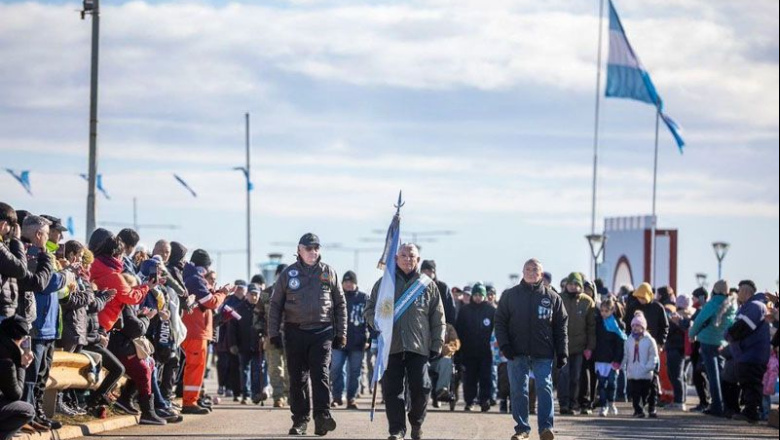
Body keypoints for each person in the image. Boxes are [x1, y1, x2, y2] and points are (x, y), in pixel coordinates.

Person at [364, 243, 445, 440]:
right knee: (392, 391)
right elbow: (369, 310)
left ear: (418, 260)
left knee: (421, 388)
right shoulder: (385, 285)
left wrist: (437, 344)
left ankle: (416, 422)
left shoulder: (428, 286)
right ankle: (397, 429)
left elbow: (438, 318)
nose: (408, 258)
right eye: (403, 255)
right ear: (396, 259)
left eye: (412, 256)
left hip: (418, 347)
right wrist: (377, 323)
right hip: (391, 346)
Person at [269, 233, 346, 437]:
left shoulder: (329, 272)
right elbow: (275, 305)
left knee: (320, 375)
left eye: (316, 248)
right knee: (298, 379)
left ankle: (322, 418)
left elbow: (340, 304)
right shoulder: (288, 274)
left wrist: (341, 333)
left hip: (322, 332)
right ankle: (300, 421)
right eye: (309, 248)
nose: (313, 252)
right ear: (300, 250)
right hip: (295, 332)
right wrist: (273, 333)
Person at [494, 259, 567, 440]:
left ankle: (545, 429)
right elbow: (500, 322)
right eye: (528, 269)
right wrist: (505, 346)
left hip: (543, 353)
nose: (531, 272)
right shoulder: (510, 296)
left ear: (541, 274)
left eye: (535, 269)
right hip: (516, 352)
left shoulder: (552, 298)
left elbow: (561, 326)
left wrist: (562, 351)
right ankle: (522, 429)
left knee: (545, 388)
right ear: (522, 272)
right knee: (519, 390)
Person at [181, 249, 230, 415]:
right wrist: (223, 293)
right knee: (195, 367)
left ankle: (192, 399)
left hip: (192, 329)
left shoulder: (189, 276)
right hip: (195, 330)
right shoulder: (196, 279)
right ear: (205, 266)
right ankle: (190, 402)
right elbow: (211, 302)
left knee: (192, 367)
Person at [689, 280, 737, 417]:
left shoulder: (713, 303)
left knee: (713, 375)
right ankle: (726, 405)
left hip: (707, 341)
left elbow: (699, 320)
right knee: (722, 374)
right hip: (723, 343)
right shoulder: (732, 304)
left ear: (714, 290)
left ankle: (716, 406)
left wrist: (692, 334)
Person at [727, 280, 771, 424]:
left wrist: (729, 335)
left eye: (739, 290)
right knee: (747, 382)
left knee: (751, 383)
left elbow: (743, 327)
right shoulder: (751, 306)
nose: (737, 293)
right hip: (748, 354)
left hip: (752, 354)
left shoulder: (755, 306)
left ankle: (752, 412)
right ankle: (750, 411)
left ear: (746, 292)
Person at [0, 204, 53, 325]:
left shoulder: (14, 248)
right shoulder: (19, 250)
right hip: (14, 317)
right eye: (47, 234)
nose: (48, 239)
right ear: (39, 234)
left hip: (17, 316)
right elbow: (37, 282)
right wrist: (46, 256)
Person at [623, 282, 668, 417]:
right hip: (636, 346)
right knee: (636, 381)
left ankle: (652, 405)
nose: (640, 299)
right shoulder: (632, 307)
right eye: (638, 297)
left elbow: (664, 327)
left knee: (653, 377)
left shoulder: (658, 307)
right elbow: (626, 325)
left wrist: (660, 342)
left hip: (651, 346)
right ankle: (638, 407)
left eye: (643, 297)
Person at [557, 272, 596, 416]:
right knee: (563, 375)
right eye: (571, 284)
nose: (573, 287)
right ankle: (564, 404)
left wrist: (590, 347)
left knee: (576, 377)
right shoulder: (559, 299)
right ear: (566, 284)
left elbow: (592, 327)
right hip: (562, 346)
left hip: (580, 348)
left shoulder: (587, 302)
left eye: (576, 284)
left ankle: (574, 404)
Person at [330, 271, 369, 410]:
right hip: (338, 341)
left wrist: (369, 337)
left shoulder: (364, 298)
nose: (348, 284)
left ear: (355, 283)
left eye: (351, 281)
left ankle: (351, 398)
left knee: (355, 372)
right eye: (345, 281)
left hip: (357, 342)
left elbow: (369, 320)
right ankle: (336, 396)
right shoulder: (336, 298)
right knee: (335, 369)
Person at [456, 283, 496, 412]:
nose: (478, 297)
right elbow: (459, 330)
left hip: (486, 352)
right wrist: (459, 350)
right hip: (469, 351)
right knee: (470, 378)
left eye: (481, 295)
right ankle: (470, 401)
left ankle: (485, 400)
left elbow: (496, 331)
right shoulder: (465, 311)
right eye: (476, 295)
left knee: (486, 377)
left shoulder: (491, 311)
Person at [255, 267, 289, 408]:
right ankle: (278, 396)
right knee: (274, 368)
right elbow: (258, 315)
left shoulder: (296, 292)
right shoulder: (266, 293)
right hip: (272, 336)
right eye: (280, 275)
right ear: (276, 276)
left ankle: (291, 395)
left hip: (291, 337)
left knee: (291, 369)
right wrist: (260, 333)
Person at [0, 316, 36, 440]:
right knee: (27, 410)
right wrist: (22, 365)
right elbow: (16, 394)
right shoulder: (6, 360)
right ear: (18, 339)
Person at [623, 311, 659, 418]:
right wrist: (621, 365)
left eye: (637, 325)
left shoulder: (649, 340)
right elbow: (626, 355)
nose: (635, 328)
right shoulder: (628, 340)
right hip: (633, 372)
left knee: (648, 392)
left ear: (643, 327)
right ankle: (638, 410)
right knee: (635, 393)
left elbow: (653, 355)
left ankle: (651, 408)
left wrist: (649, 367)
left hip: (646, 372)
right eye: (633, 325)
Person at [593, 298, 625, 417]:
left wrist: (618, 360)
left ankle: (611, 402)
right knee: (601, 384)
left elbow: (620, 344)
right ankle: (603, 405)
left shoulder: (618, 324)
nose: (603, 313)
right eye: (602, 310)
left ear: (612, 310)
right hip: (601, 358)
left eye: (606, 311)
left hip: (613, 359)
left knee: (612, 383)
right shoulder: (598, 323)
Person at [665, 295, 694, 411]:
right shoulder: (691, 315)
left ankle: (679, 401)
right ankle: (681, 399)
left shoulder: (677, 316)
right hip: (684, 349)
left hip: (675, 348)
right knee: (681, 376)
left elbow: (670, 331)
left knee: (675, 375)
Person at [430, 323, 460, 407]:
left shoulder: (448, 328)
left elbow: (455, 343)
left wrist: (446, 348)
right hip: (425, 359)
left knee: (447, 361)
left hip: (440, 359)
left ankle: (442, 390)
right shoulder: (424, 325)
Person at [421, 260, 457, 325]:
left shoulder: (443, 287)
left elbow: (450, 309)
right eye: (424, 271)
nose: (426, 273)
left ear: (434, 272)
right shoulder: (416, 288)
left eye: (429, 271)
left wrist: (448, 325)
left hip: (439, 325)